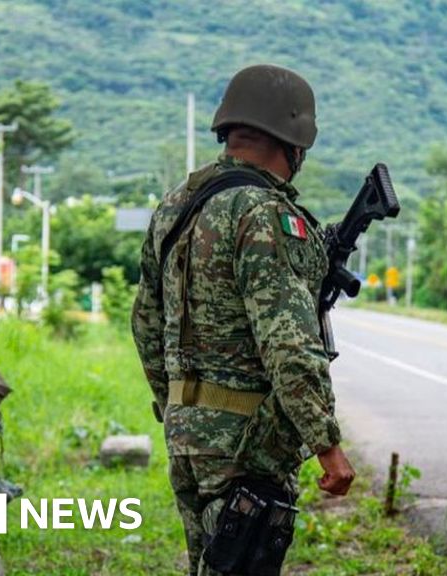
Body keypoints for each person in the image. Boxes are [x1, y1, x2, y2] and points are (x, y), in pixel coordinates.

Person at [131, 64, 355, 575]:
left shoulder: (175, 206)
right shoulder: (264, 214)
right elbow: (290, 343)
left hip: (187, 432)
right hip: (246, 443)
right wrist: (328, 445)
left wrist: (174, 403)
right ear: (294, 142)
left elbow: (145, 321)